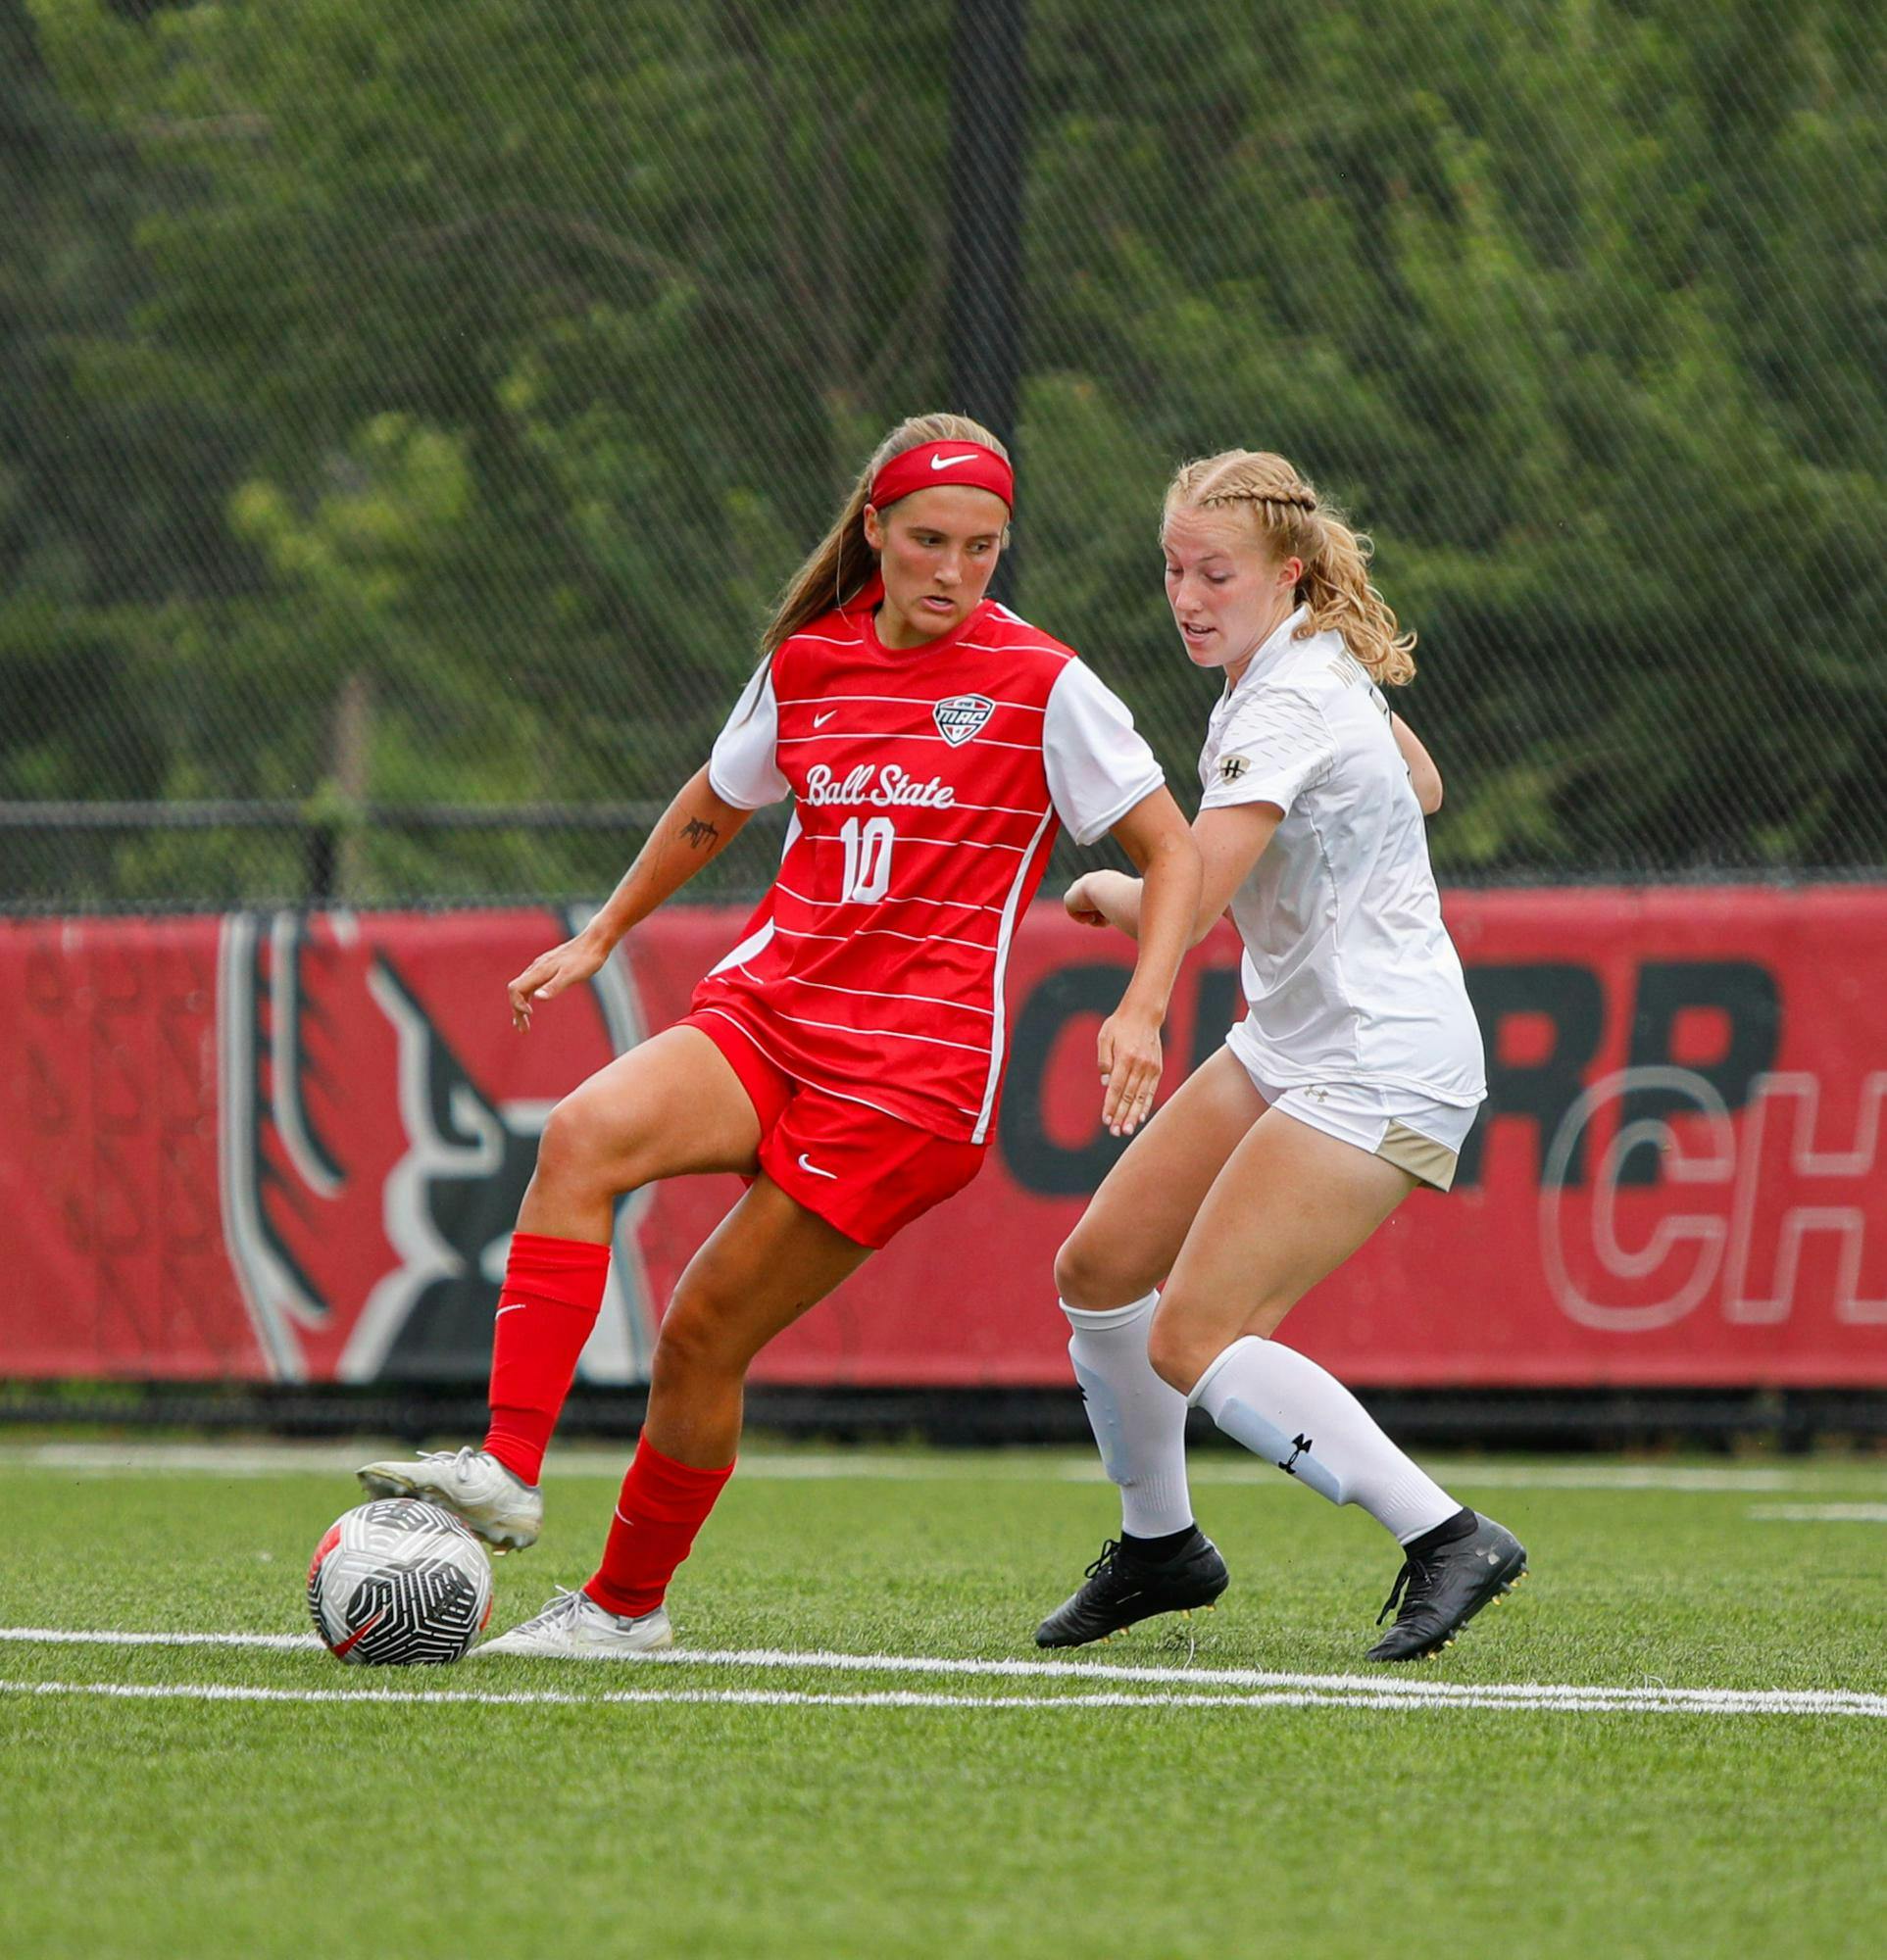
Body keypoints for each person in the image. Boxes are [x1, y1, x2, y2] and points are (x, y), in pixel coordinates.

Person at [358, 412, 1203, 1658]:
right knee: (583, 1134)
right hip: (770, 1011)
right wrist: (601, 933)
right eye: (926, 539)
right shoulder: (808, 662)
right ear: (873, 528)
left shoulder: (1044, 684)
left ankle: (623, 1609)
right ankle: (506, 1465)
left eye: (980, 546)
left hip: (907, 1083)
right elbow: (715, 803)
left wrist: (1143, 1002)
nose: (953, 570)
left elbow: (1171, 852)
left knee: (701, 1333)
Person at [1033, 448, 1525, 1664]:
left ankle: (1446, 1534)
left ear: (1286, 573)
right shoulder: (1302, 663)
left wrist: (1122, 931)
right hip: (1295, 1037)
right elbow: (1420, 778)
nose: (1188, 596)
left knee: (1190, 1337)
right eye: (1173, 570)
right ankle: (1161, 1548)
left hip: (1381, 1057)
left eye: (1216, 573)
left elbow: (1190, 900)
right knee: (1099, 1269)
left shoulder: (1285, 694)